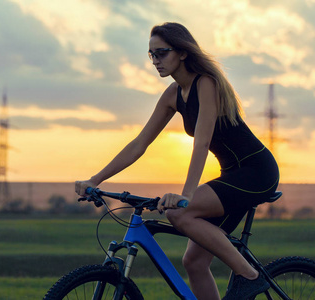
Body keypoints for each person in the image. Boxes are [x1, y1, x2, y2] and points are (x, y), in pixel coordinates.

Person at [75, 22, 279, 300]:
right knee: (194, 263)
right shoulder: (173, 95)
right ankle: (245, 276)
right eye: (151, 55)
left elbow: (202, 143)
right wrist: (95, 179)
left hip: (256, 173)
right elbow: (139, 144)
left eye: (161, 53)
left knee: (179, 213)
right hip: (232, 177)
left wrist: (186, 195)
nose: (156, 61)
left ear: (182, 53)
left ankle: (249, 276)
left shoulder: (206, 83)